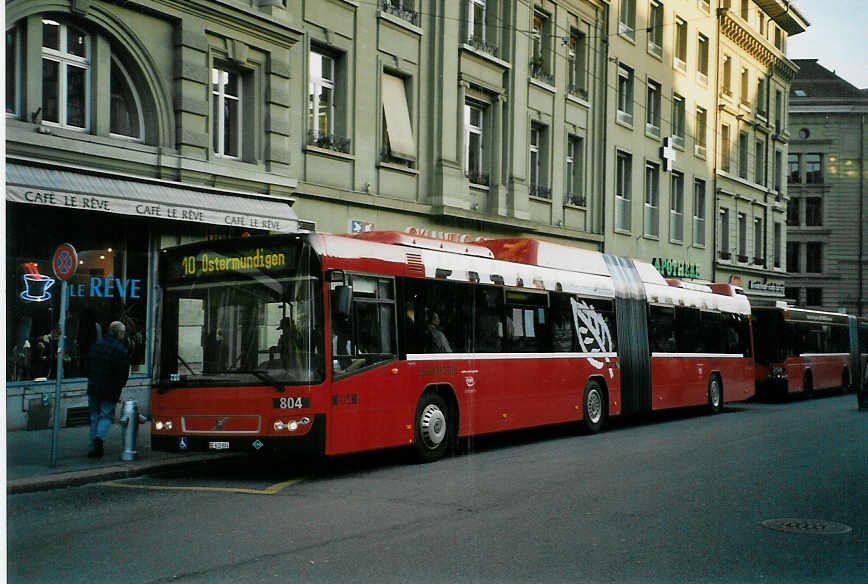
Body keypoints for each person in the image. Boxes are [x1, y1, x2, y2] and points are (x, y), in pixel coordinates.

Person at [87, 321, 130, 458]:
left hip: (94, 386)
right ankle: (100, 437)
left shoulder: (97, 344)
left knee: (94, 416)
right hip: (110, 388)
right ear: (120, 334)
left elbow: (88, 364)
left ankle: (93, 447)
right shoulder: (121, 350)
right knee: (106, 415)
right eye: (123, 333)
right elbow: (122, 373)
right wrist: (120, 386)